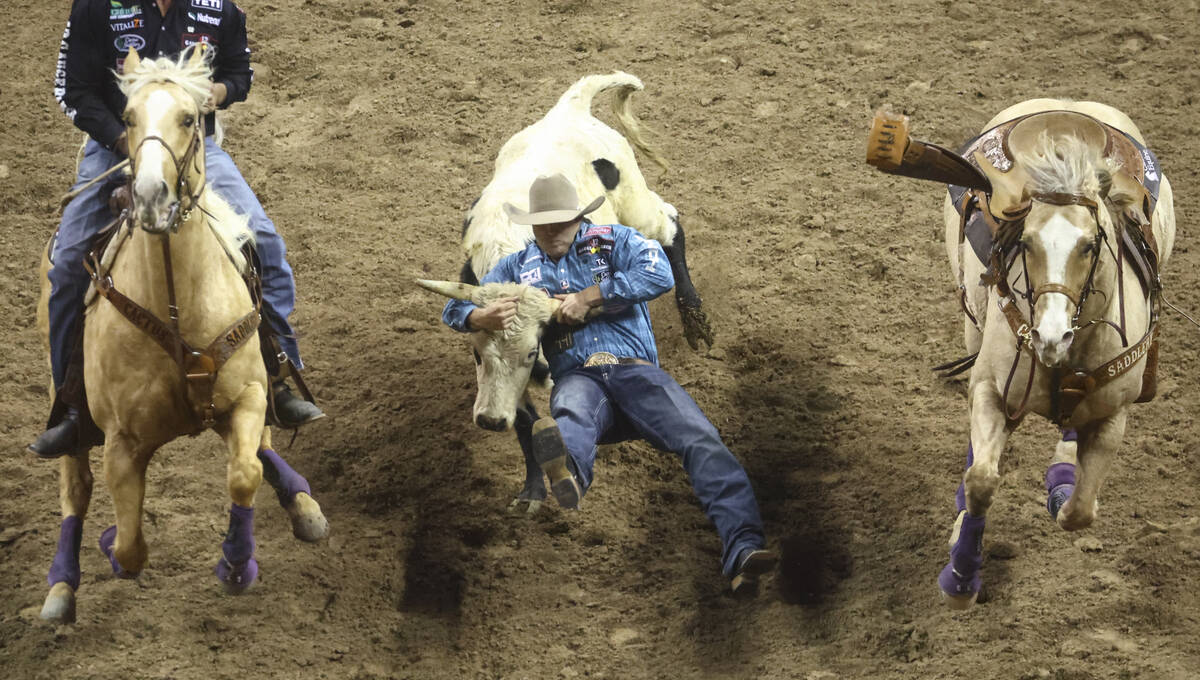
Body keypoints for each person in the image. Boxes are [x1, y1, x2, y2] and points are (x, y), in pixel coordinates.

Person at [442, 174, 777, 593]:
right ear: (530, 225)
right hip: (581, 377)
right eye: (542, 223)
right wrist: (479, 318)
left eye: (560, 222)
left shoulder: (613, 240)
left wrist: (591, 296)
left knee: (701, 438)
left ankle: (743, 548)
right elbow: (455, 305)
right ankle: (569, 476)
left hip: (633, 370)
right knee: (571, 412)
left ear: (578, 218)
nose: (551, 231)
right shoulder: (515, 267)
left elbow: (658, 272)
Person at [32, 0, 323, 457]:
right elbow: (74, 90)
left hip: (193, 152)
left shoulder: (218, 9)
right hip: (114, 149)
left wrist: (218, 94)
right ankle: (73, 408)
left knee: (264, 242)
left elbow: (239, 74)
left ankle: (277, 376)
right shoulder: (94, 7)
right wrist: (126, 142)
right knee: (68, 262)